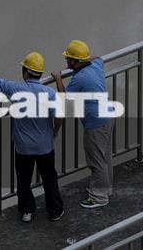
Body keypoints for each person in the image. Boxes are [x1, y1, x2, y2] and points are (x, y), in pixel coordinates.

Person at [0, 51, 64, 223]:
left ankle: (27, 210)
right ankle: (55, 211)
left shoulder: (15, 89)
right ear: (40, 73)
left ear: (25, 72)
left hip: (23, 147)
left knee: (23, 180)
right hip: (45, 146)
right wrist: (55, 131)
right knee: (49, 178)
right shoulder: (49, 93)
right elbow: (59, 116)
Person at [52, 39, 112, 209]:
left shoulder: (80, 78)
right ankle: (105, 189)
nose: (67, 63)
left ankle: (98, 197)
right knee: (104, 157)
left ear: (75, 61)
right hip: (107, 117)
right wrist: (83, 59)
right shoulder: (95, 66)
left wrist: (58, 78)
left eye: (68, 59)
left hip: (95, 124)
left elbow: (64, 98)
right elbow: (98, 57)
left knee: (96, 161)